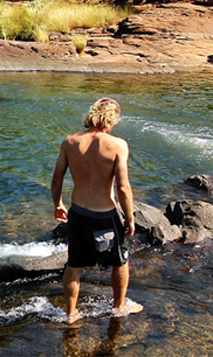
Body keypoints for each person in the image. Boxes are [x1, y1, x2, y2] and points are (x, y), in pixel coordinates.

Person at [50, 97, 142, 323]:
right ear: (111, 119)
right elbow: (123, 187)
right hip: (105, 215)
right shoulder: (118, 145)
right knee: (120, 261)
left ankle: (71, 314)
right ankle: (119, 307)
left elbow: (57, 177)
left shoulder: (70, 142)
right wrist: (129, 218)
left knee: (74, 264)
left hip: (78, 212)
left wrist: (58, 204)